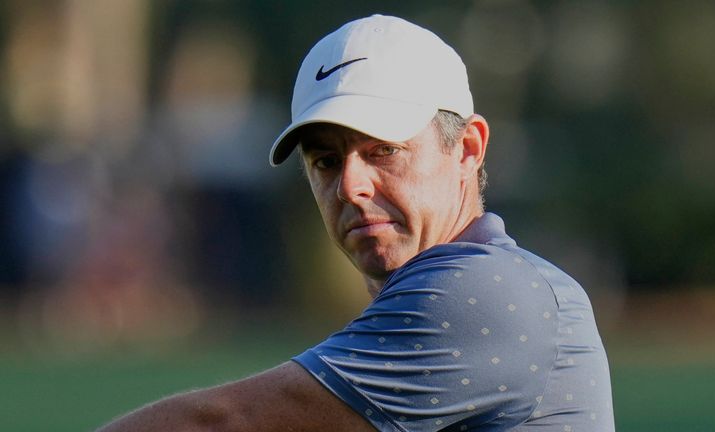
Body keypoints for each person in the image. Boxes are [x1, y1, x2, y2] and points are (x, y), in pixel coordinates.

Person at [97, 14, 615, 432]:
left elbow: (226, 424)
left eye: (384, 150)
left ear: (468, 150)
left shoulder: (482, 291)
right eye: (325, 160)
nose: (350, 185)